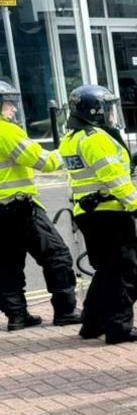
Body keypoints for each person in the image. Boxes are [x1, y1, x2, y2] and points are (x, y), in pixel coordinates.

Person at [60, 85, 137, 344]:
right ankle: (119, 328)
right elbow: (114, 180)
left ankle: (92, 323)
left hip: (90, 214)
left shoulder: (72, 138)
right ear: (96, 112)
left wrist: (131, 162)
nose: (113, 114)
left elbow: (99, 173)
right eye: (109, 109)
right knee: (125, 273)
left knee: (105, 272)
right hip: (110, 214)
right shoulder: (96, 137)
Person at [0, 80, 81, 331]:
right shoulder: (6, 131)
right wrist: (65, 149)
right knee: (56, 255)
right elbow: (42, 161)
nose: (13, 109)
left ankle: (17, 316)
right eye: (8, 104)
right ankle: (66, 311)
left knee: (6, 264)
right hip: (19, 207)